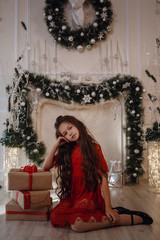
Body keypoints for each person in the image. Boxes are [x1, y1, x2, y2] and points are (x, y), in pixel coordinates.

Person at [43, 115, 153, 232]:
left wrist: (108, 207)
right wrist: (55, 146)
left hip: (89, 194)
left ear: (77, 124)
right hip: (73, 195)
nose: (69, 133)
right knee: (55, 216)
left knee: (77, 225)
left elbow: (103, 178)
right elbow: (46, 166)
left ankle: (127, 218)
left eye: (70, 128)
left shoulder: (93, 147)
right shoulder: (67, 151)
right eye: (65, 133)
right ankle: (115, 213)